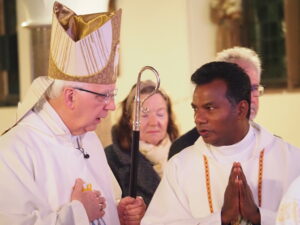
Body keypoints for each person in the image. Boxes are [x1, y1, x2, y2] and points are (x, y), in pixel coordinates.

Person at [0, 2, 145, 225]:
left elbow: (100, 209)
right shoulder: (13, 151)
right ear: (70, 96)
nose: (112, 106)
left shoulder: (89, 139)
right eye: (103, 96)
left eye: (112, 94)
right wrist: (78, 213)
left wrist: (117, 213)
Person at [141, 61, 300, 225]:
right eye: (196, 109)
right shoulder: (181, 166)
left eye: (209, 108)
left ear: (241, 109)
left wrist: (258, 216)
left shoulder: (290, 160)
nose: (198, 119)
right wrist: (221, 219)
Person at [168, 46, 264, 159]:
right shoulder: (183, 149)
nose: (250, 97)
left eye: (254, 88)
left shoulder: (273, 147)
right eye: (239, 88)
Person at [105, 80, 179, 206]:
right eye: (144, 115)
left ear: (168, 116)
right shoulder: (111, 159)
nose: (154, 122)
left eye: (160, 114)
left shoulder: (183, 151)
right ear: (130, 119)